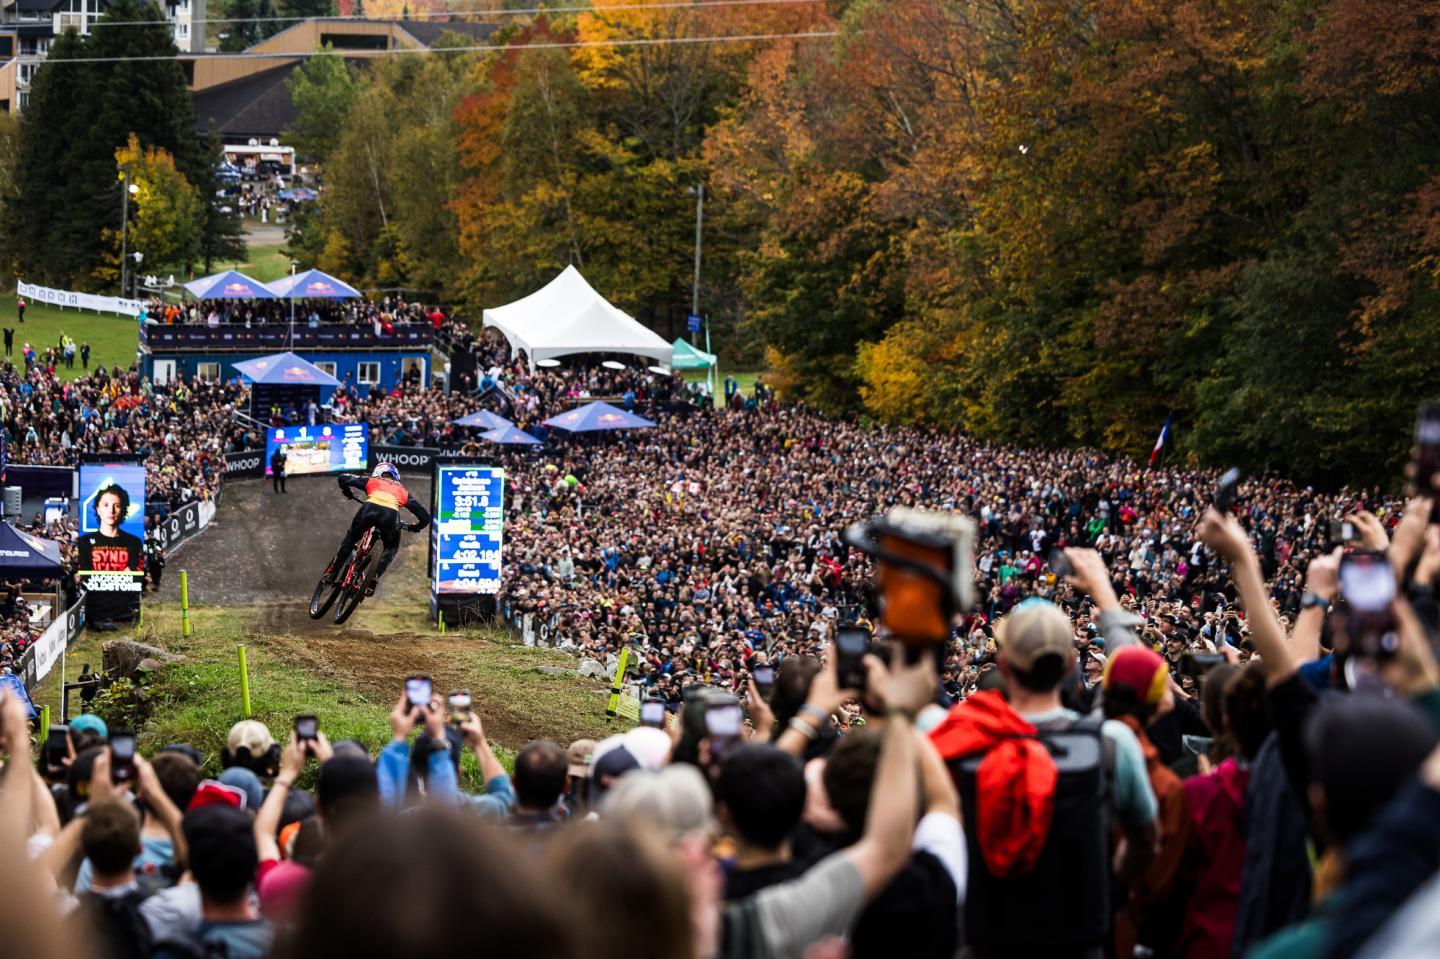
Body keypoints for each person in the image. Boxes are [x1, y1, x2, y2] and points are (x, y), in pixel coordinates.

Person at [322, 462, 432, 596]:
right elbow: (425, 518)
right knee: (391, 548)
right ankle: (374, 576)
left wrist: (348, 492)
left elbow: (342, 478)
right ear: (396, 477)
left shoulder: (372, 481)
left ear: (377, 472)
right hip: (390, 516)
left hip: (369, 509)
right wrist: (414, 527)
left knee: (351, 538)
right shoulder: (403, 491)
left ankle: (332, 574)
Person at [77, 484, 144, 578]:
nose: (111, 511)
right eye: (106, 505)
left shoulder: (134, 542)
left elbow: (136, 576)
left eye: (117, 506)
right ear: (98, 509)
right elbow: (82, 575)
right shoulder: (85, 542)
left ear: (123, 510)